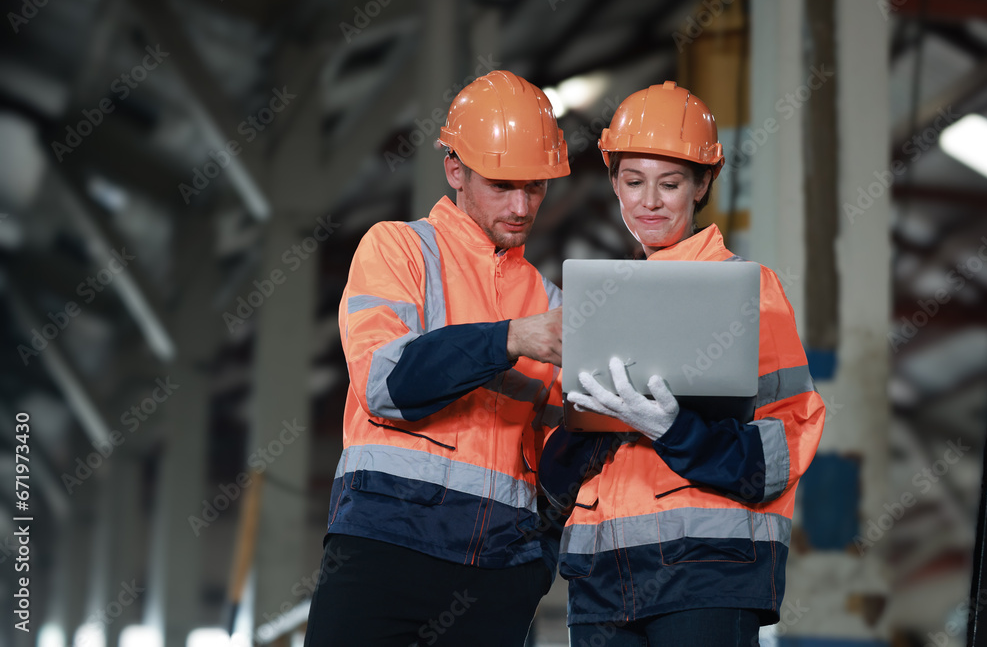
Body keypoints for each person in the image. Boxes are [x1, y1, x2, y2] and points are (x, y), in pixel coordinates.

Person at [539, 81, 826, 646]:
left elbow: (778, 456)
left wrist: (674, 430)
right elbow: (555, 486)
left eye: (669, 184)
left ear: (703, 184)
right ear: (614, 184)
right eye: (632, 182)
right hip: (601, 583)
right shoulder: (598, 306)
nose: (649, 202)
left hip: (706, 577)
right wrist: (589, 426)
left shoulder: (750, 293)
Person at [303, 70, 569, 647]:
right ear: (455, 169)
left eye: (536, 187)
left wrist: (535, 561)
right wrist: (509, 340)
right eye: (503, 185)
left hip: (497, 577)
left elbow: (563, 456)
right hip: (383, 554)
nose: (522, 206)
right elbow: (385, 384)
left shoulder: (551, 302)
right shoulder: (398, 249)